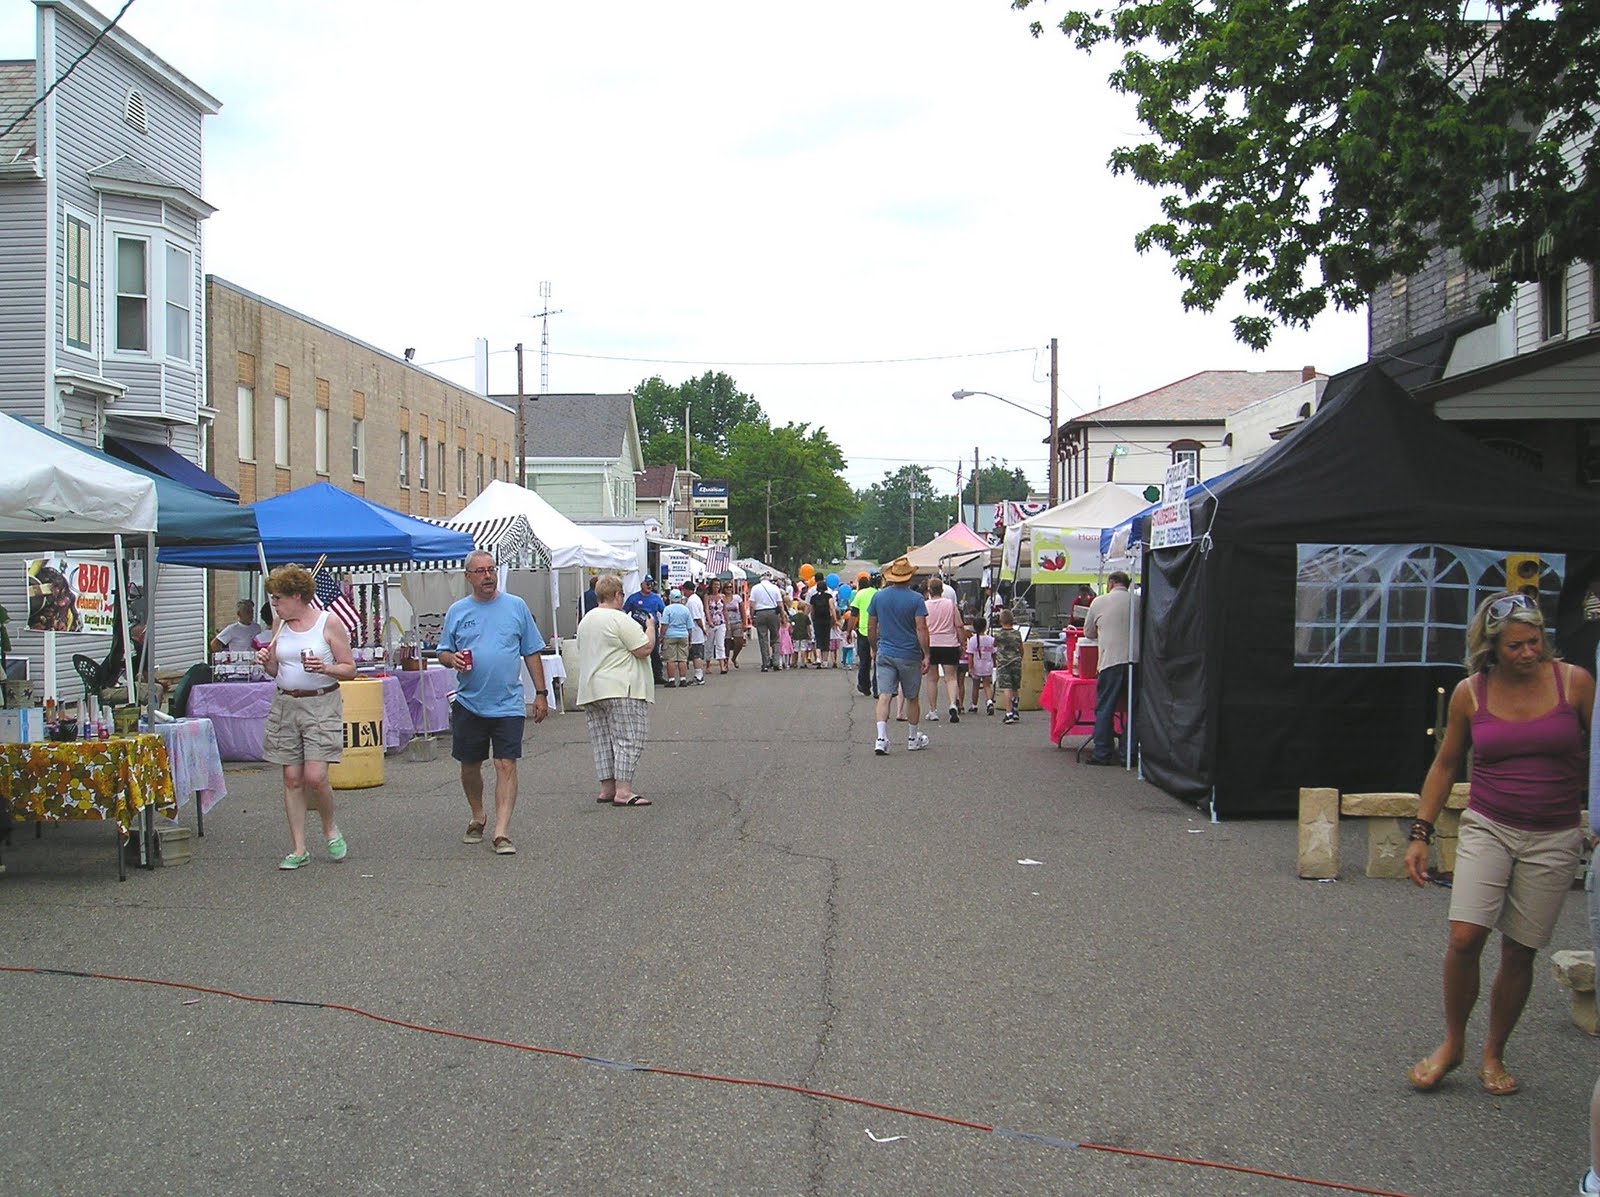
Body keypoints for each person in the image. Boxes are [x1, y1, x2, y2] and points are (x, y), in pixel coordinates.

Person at [1404, 592, 1593, 1098]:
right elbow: (1445, 764)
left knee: (1519, 950)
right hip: (1489, 824)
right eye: (1516, 646)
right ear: (1491, 649)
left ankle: (1494, 1050)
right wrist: (1420, 833)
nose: (1529, 653)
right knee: (1465, 937)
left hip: (1554, 834)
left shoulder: (1574, 682)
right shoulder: (1472, 693)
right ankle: (1453, 1043)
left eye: (1535, 642)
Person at [438, 550, 550, 857]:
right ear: (468, 577)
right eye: (481, 571)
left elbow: (531, 651)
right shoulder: (458, 611)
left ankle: (501, 831)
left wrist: (541, 693)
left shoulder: (516, 606)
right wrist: (453, 659)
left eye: (491, 570)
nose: (488, 576)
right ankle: (478, 814)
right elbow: (443, 652)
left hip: (508, 703)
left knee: (505, 763)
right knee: (470, 766)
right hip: (470, 702)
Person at [255, 564, 357, 870]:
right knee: (292, 777)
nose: (274, 604)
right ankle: (298, 848)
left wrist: (324, 668)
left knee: (316, 776)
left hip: (320, 703)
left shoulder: (329, 622)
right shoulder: (280, 624)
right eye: (273, 599)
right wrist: (266, 662)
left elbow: (349, 668)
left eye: (278, 598)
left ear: (297, 596)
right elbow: (276, 670)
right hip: (286, 702)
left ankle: (329, 827)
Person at [575, 573, 654, 807]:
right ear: (618, 595)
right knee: (628, 738)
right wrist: (650, 628)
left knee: (602, 739)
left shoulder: (586, 620)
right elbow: (644, 648)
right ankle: (624, 791)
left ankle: (607, 787)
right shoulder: (620, 619)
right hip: (621, 686)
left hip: (592, 687)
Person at [868, 556, 930, 755]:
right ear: (910, 577)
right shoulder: (916, 599)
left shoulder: (879, 597)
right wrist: (926, 654)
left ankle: (881, 737)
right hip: (909, 653)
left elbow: (871, 625)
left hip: (885, 651)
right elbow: (921, 628)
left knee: (884, 695)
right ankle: (912, 738)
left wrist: (873, 646)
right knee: (912, 697)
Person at [1082, 571, 1139, 766]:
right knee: (1134, 710)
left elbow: (1088, 632)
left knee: (1105, 708)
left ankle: (1102, 752)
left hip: (1110, 661)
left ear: (1111, 583)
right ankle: (1128, 753)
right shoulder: (1139, 601)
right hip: (1137, 661)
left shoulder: (1099, 602)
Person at [923, 577, 967, 723]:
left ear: (929, 591)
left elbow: (921, 627)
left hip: (931, 643)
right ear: (942, 590)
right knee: (951, 677)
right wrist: (962, 643)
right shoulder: (950, 604)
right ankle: (953, 703)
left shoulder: (925, 606)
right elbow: (959, 625)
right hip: (949, 643)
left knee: (932, 679)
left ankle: (933, 710)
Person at [624, 575, 667, 685]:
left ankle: (657, 675)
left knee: (654, 652)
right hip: (637, 629)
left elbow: (664, 612)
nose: (649, 585)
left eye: (651, 583)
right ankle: (637, 676)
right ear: (641, 585)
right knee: (637, 651)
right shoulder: (634, 598)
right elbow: (624, 612)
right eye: (647, 583)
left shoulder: (656, 598)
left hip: (652, 628)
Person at [749, 574, 786, 672]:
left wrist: (752, 617)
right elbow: (780, 604)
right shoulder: (775, 588)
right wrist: (783, 617)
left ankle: (765, 663)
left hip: (760, 613)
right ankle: (776, 661)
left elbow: (752, 604)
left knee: (763, 638)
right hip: (773, 613)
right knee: (775, 637)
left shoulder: (755, 588)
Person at [848, 572, 878, 697]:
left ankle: (864, 685)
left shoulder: (860, 594)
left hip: (863, 631)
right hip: (878, 631)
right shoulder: (880, 594)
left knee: (864, 660)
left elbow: (853, 614)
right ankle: (877, 687)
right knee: (878, 661)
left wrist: (849, 631)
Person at [993, 609, 1023, 725]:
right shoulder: (1017, 634)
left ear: (1001, 620)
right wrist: (1020, 658)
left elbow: (994, 645)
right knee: (1015, 687)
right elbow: (1021, 648)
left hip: (1003, 663)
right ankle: (1015, 710)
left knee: (1007, 688)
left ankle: (1008, 713)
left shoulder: (999, 634)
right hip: (1016, 662)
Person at [659, 586, 693, 686]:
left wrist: (661, 636)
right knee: (682, 659)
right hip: (683, 635)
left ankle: (671, 680)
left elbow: (664, 624)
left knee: (671, 659)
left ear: (670, 598)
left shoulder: (667, 609)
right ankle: (683, 679)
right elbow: (690, 626)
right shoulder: (685, 609)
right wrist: (690, 639)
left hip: (670, 635)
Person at [965, 615, 996, 715]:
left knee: (975, 686)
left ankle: (974, 705)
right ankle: (989, 702)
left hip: (977, 665)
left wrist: (970, 667)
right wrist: (995, 663)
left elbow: (970, 655)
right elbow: (994, 653)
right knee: (987, 685)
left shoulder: (973, 640)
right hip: (988, 664)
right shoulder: (991, 639)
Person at [683, 579, 708, 685]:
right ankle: (698, 675)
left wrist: (703, 629)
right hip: (696, 631)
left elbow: (696, 618)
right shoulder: (694, 599)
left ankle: (699, 676)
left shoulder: (692, 601)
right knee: (696, 654)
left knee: (696, 654)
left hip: (696, 631)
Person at [809, 583, 836, 668]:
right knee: (826, 639)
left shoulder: (813, 597)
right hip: (826, 620)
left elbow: (812, 609)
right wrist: (835, 619)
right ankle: (825, 661)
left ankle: (818, 658)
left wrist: (813, 618)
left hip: (817, 620)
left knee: (818, 639)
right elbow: (832, 608)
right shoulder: (829, 596)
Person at [706, 578, 729, 675]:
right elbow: (706, 609)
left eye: (718, 585)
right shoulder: (707, 596)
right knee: (709, 644)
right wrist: (709, 621)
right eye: (715, 585)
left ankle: (722, 666)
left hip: (720, 622)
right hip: (710, 622)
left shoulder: (722, 597)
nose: (716, 587)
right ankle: (707, 665)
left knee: (720, 644)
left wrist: (727, 623)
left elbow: (724, 610)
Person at [724, 583, 748, 668]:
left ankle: (734, 657)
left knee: (739, 642)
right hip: (726, 623)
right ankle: (725, 662)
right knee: (727, 643)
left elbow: (743, 611)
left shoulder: (737, 598)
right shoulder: (722, 598)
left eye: (730, 587)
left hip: (737, 622)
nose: (728, 589)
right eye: (727, 587)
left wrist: (745, 623)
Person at [789, 596, 810, 669]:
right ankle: (803, 663)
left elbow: (792, 626)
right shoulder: (805, 617)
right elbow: (808, 627)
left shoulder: (794, 617)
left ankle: (794, 662)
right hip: (804, 634)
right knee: (803, 649)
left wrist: (791, 633)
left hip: (796, 634)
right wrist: (809, 634)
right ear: (804, 608)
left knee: (795, 649)